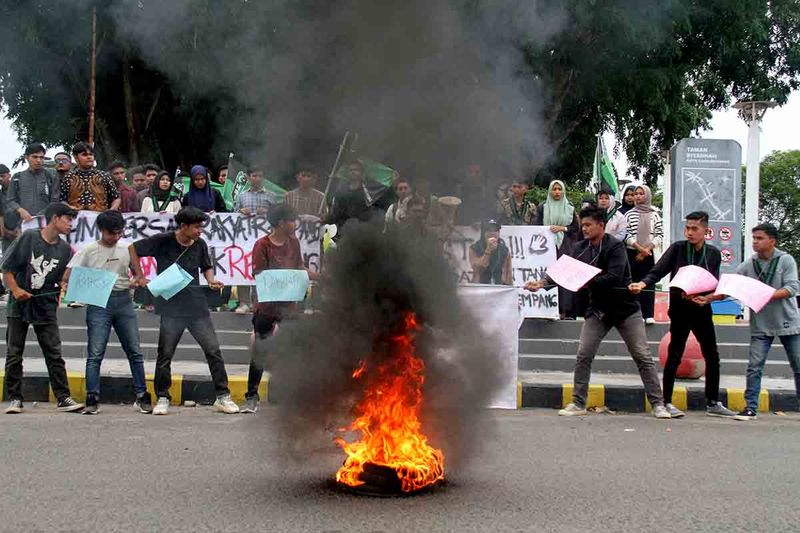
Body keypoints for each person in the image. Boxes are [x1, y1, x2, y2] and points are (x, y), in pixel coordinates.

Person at [525, 207, 671, 419]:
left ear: (601, 225)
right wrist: (541, 283)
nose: (584, 229)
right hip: (598, 311)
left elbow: (614, 276)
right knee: (584, 354)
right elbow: (563, 270)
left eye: (588, 225)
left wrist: (583, 281)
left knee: (642, 355)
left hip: (626, 309)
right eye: (582, 225)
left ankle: (658, 404)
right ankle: (578, 402)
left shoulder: (615, 246)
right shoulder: (579, 248)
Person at [129, 207, 239, 415]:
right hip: (170, 307)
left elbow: (206, 265)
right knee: (165, 354)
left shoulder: (200, 244)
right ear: (184, 226)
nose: (200, 231)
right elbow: (133, 248)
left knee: (213, 351)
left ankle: (223, 396)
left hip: (197, 307)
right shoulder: (163, 240)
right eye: (197, 227)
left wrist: (211, 280)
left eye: (201, 227)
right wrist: (140, 276)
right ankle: (162, 397)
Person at [629, 211, 735, 418]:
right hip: (679, 309)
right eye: (687, 228)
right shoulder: (678, 249)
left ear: (706, 230)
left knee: (712, 355)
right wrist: (642, 284)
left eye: (695, 229)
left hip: (702, 309)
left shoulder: (713, 253)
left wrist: (708, 298)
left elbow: (712, 282)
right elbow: (658, 271)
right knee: (674, 354)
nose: (690, 232)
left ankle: (713, 402)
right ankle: (666, 401)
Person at [64, 210, 151, 414]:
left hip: (123, 301)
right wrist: (74, 287)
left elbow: (139, 274)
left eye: (120, 233)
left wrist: (137, 281)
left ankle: (142, 395)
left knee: (135, 351)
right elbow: (68, 274)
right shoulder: (88, 251)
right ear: (102, 231)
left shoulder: (127, 248)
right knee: (95, 354)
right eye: (112, 233)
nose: (116, 237)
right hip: (98, 303)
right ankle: (92, 398)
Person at [2, 203, 84, 414]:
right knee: (14, 353)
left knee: (54, 353)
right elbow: (7, 269)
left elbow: (59, 280)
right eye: (67, 219)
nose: (70, 224)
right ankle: (15, 398)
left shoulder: (65, 249)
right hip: (19, 304)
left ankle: (63, 397)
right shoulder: (29, 237)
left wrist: (65, 285)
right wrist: (16, 290)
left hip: (45, 306)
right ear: (55, 218)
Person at [242, 204, 318, 413]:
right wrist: (285, 278)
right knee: (261, 349)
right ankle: (251, 395)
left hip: (289, 307)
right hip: (266, 307)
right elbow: (259, 273)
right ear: (280, 223)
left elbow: (299, 267)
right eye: (291, 220)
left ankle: (277, 394)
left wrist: (317, 276)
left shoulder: (294, 242)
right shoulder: (262, 245)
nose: (295, 224)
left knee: (288, 351)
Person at [725, 224, 800, 420]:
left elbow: (792, 288)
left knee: (798, 365)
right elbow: (731, 284)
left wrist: (764, 295)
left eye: (759, 238)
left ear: (772, 241)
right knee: (754, 366)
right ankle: (750, 407)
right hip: (761, 325)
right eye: (754, 238)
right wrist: (708, 298)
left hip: (789, 322)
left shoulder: (786, 260)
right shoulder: (749, 264)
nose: (755, 242)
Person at [234, 167, 278, 314]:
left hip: (264, 241)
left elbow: (278, 216)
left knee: (262, 269)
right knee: (243, 267)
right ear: (248, 177)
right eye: (254, 175)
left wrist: (267, 212)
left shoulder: (271, 196)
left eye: (260, 176)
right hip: (244, 241)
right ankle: (244, 302)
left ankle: (260, 302)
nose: (257, 178)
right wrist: (240, 212)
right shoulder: (241, 196)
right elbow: (231, 217)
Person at [535, 180, 579, 319]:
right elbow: (536, 225)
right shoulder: (543, 207)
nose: (557, 192)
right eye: (554, 189)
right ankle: (547, 309)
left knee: (563, 276)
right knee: (547, 276)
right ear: (550, 191)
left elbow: (575, 228)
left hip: (565, 246)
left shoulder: (569, 207)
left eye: (560, 189)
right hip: (547, 246)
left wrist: (562, 228)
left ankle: (563, 311)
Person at [624, 184, 662, 324]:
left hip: (649, 254)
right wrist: (639, 248)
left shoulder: (655, 215)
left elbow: (659, 234)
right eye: (636, 194)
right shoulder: (629, 214)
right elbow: (626, 234)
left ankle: (649, 314)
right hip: (632, 253)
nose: (638, 196)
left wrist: (647, 249)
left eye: (641, 193)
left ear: (647, 195)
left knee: (648, 282)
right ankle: (635, 313)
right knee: (632, 282)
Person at [5, 143, 60, 238]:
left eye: (41, 157)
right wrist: (20, 210)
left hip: (46, 224)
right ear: (27, 157)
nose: (38, 160)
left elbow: (55, 200)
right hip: (24, 225)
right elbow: (10, 199)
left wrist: (41, 215)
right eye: (34, 157)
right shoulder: (17, 177)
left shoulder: (50, 176)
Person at [60, 142, 120, 212]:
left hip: (100, 218)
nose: (89, 157)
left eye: (91, 154)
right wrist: (69, 207)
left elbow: (116, 198)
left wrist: (111, 211)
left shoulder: (104, 176)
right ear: (76, 157)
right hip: (75, 218)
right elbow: (62, 200)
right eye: (84, 155)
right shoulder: (68, 178)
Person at [327, 160, 377, 231]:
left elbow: (370, 211)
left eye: (356, 170)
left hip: (362, 227)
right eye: (351, 170)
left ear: (361, 173)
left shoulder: (368, 191)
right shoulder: (342, 191)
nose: (353, 172)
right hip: (343, 227)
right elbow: (336, 211)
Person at [469, 219, 512, 285]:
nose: (492, 233)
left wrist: (510, 290)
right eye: (489, 230)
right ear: (483, 233)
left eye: (496, 230)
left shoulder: (504, 250)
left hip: (499, 287)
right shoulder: (474, 248)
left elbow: (508, 274)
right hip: (479, 287)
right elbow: (478, 269)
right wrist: (488, 250)